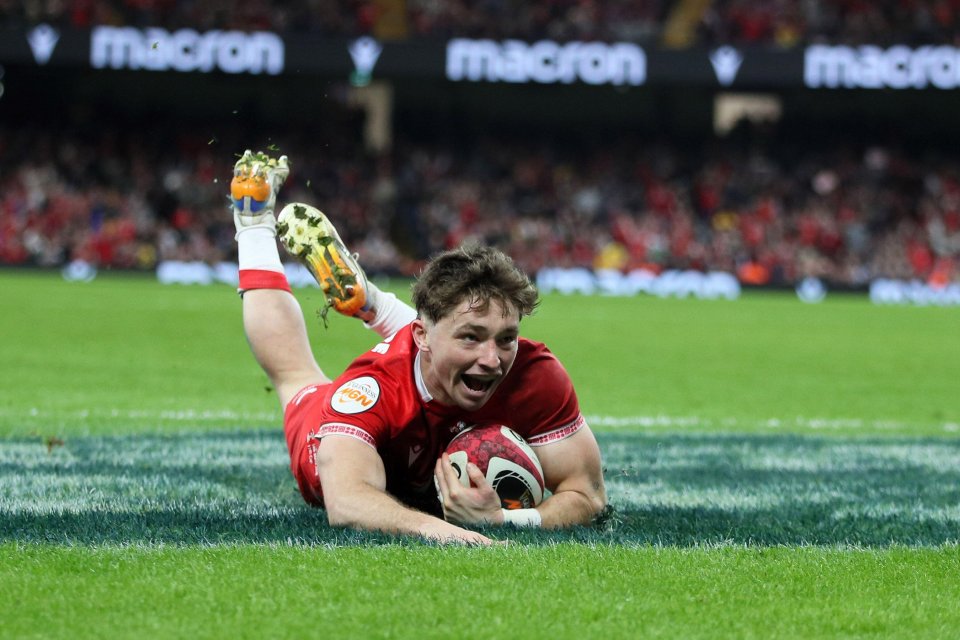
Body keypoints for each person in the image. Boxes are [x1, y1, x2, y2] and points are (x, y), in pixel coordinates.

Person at [230, 150, 607, 544]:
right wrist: (444, 531)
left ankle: (375, 303)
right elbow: (348, 502)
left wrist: (505, 521)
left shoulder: (533, 373)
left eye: (507, 338)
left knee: (455, 345)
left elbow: (589, 496)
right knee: (294, 376)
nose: (494, 359)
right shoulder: (371, 389)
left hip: (428, 358)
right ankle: (253, 221)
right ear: (420, 336)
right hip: (346, 419)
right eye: (472, 337)